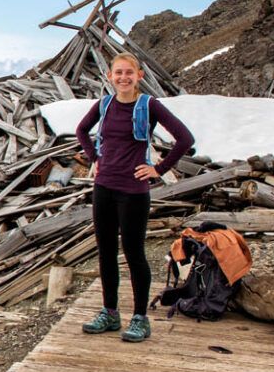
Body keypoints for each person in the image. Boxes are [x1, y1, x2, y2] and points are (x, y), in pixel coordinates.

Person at [74, 52, 194, 342]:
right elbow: (81, 131)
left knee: (133, 253)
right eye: (118, 73)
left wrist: (158, 169)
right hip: (103, 188)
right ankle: (110, 313)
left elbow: (185, 139)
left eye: (129, 73)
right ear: (110, 77)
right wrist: (94, 158)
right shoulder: (105, 104)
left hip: (134, 192)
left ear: (139, 75)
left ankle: (140, 318)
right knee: (105, 253)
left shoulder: (148, 105)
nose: (124, 78)